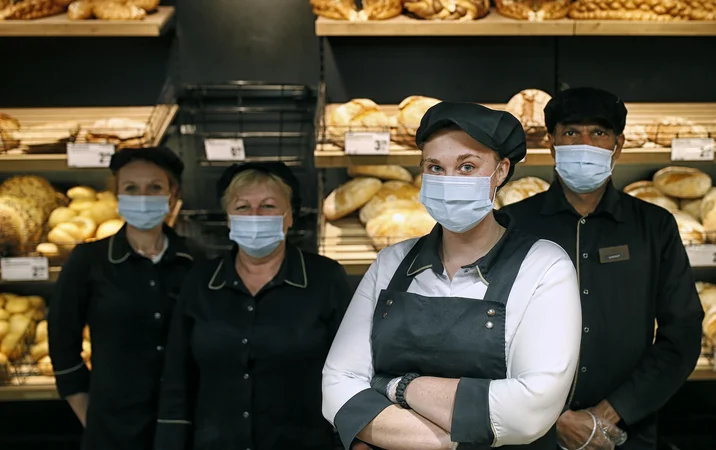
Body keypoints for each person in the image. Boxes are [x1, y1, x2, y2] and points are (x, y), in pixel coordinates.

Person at [322, 102, 583, 450]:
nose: (449, 182)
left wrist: (395, 386)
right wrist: (449, 441)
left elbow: (530, 408)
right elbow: (338, 384)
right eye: (435, 167)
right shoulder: (391, 262)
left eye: (467, 167)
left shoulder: (543, 266)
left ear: (501, 171)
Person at [503, 87, 704, 450]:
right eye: (570, 133)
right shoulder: (513, 226)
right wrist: (554, 420)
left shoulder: (653, 227)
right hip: (530, 434)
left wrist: (608, 414)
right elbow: (487, 333)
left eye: (598, 133)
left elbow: (683, 333)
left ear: (618, 145)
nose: (585, 143)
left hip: (624, 434)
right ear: (551, 144)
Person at [154, 162, 353, 450]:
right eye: (243, 207)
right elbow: (177, 378)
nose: (255, 216)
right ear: (228, 219)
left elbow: (348, 372)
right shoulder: (200, 281)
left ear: (289, 217)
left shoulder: (325, 279)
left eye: (268, 206)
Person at [48, 146, 199, 450]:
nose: (143, 197)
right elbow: (63, 343)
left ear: (172, 194)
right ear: (116, 195)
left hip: (189, 423)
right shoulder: (88, 261)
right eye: (131, 188)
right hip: (113, 429)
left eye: (155, 187)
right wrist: (91, 415)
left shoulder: (196, 260)